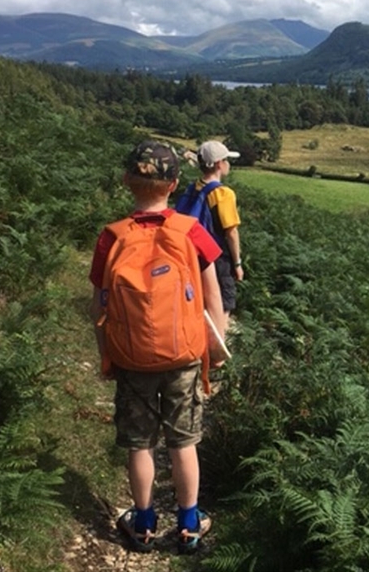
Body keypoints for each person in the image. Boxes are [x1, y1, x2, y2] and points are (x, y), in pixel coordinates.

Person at [88, 140, 228, 554]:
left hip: (131, 358)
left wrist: (107, 355)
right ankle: (189, 524)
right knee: (183, 442)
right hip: (184, 355)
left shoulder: (111, 237)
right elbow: (213, 299)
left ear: (126, 181)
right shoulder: (191, 231)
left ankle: (143, 523)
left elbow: (99, 304)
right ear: (174, 184)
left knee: (140, 443)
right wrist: (213, 352)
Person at [176, 140, 244, 320]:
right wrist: (237, 264)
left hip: (191, 253)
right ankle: (218, 340)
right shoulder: (223, 194)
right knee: (223, 304)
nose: (228, 164)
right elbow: (231, 232)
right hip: (216, 257)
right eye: (227, 160)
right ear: (219, 164)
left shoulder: (193, 187)